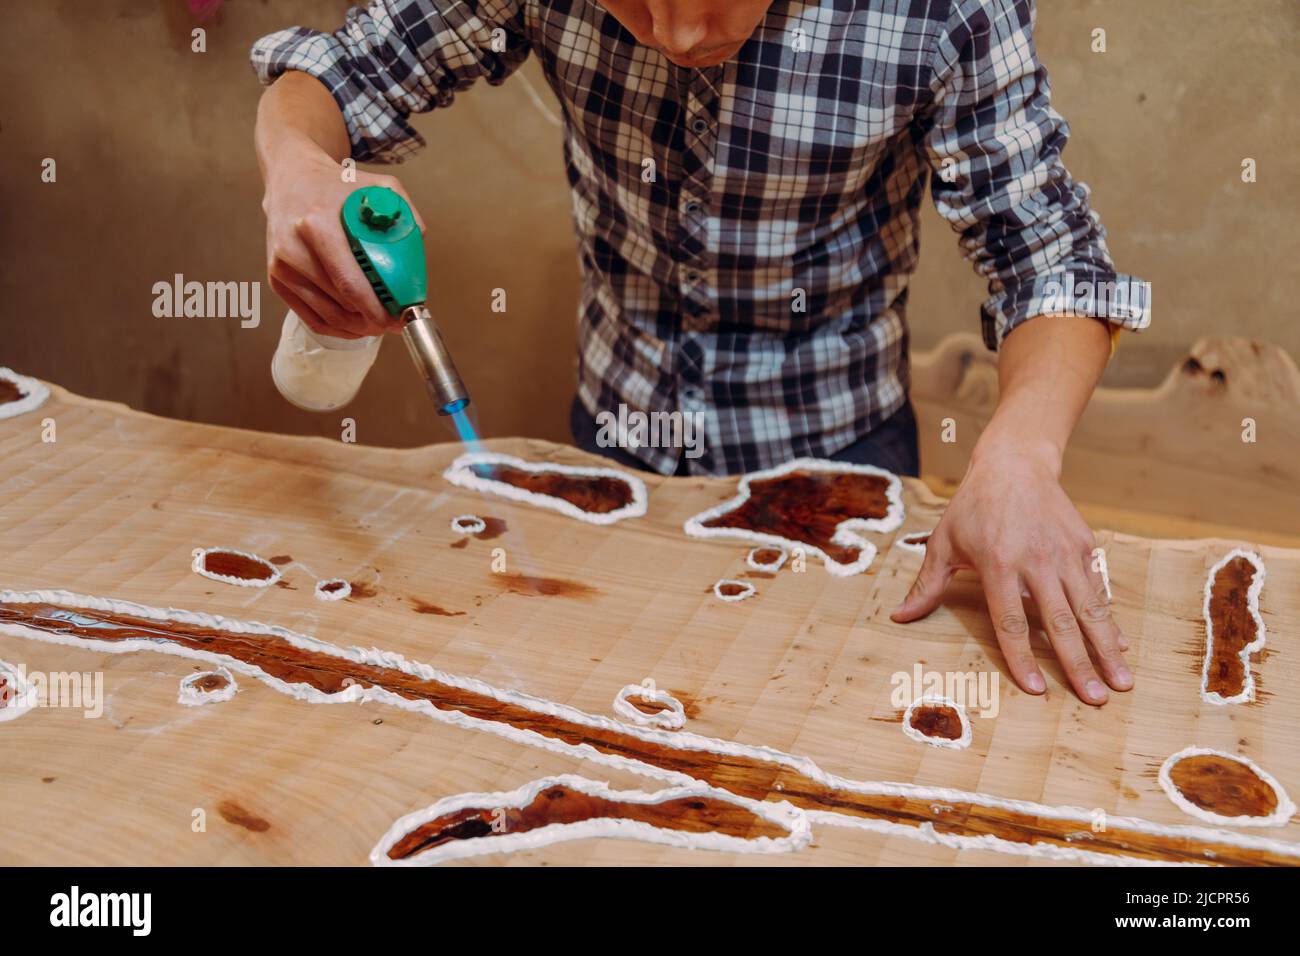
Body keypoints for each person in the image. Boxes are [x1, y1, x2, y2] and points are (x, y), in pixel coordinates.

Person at [251, 1, 1150, 705]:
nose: (677, 31)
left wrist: (1022, 454)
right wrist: (296, 164)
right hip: (616, 449)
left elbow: (1052, 260)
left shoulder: (939, 7)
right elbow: (340, 73)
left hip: (838, 467)